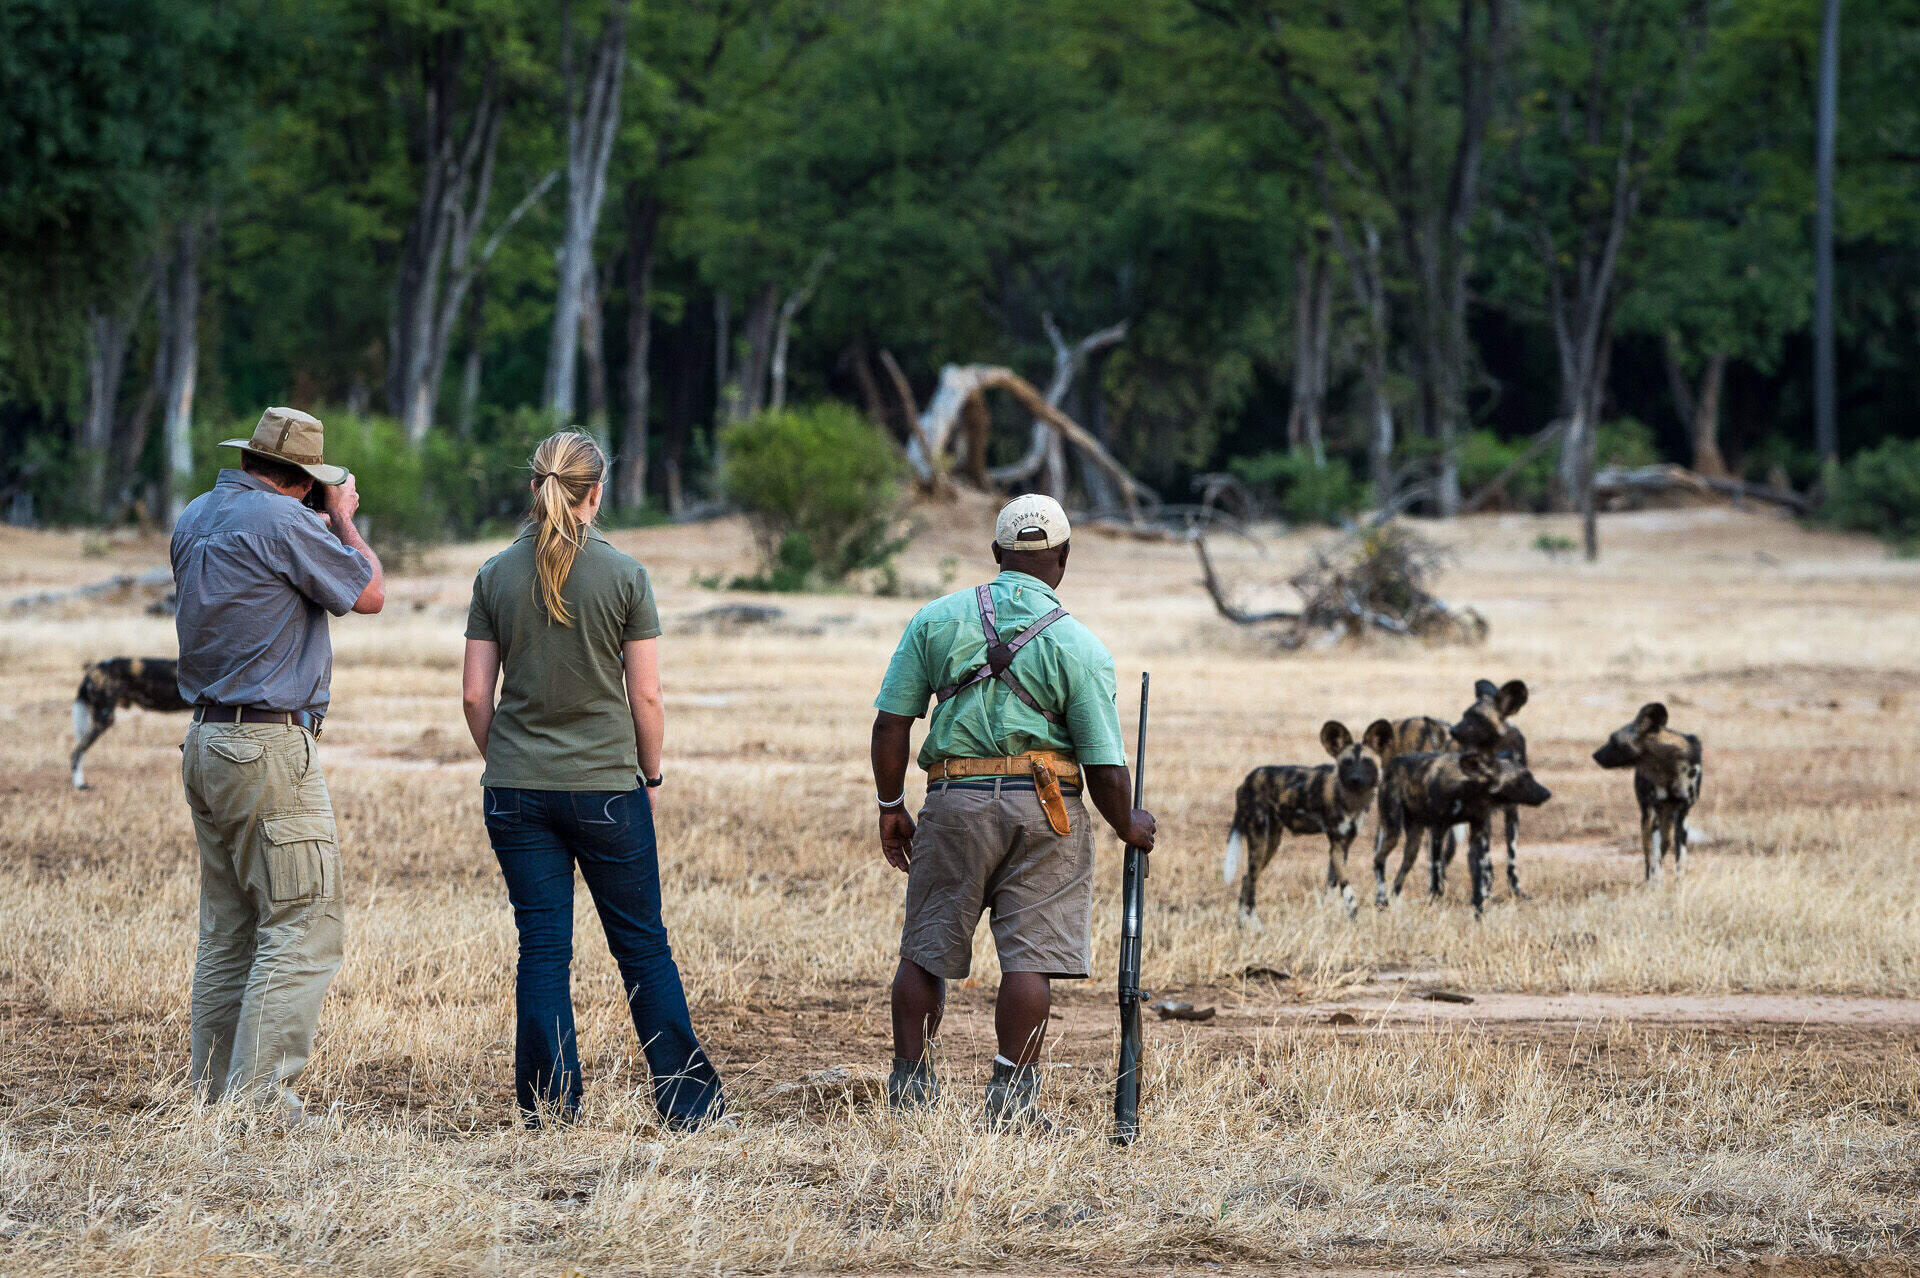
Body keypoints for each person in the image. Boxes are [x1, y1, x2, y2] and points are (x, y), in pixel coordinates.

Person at [461, 431, 725, 1130]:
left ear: (533, 489)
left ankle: (551, 1110)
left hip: (516, 790)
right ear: (596, 493)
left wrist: (510, 760)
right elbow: (647, 698)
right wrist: (653, 776)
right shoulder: (625, 576)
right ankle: (689, 1105)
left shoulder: (492, 575)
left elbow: (472, 698)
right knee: (641, 942)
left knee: (542, 947)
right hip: (608, 788)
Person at [870, 493, 1156, 1130]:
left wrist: (891, 804)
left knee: (925, 948)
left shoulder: (937, 620)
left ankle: (909, 1084)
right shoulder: (1081, 646)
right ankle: (1011, 1095)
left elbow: (891, 723)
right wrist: (1127, 823)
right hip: (1047, 811)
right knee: (1029, 959)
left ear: (997, 554)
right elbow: (1107, 767)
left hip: (954, 802)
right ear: (1063, 559)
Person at [171, 406, 385, 1126]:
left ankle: (214, 1094)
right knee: (302, 919)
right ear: (301, 480)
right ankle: (260, 1101)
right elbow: (368, 593)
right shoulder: (287, 522)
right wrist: (346, 519)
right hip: (267, 747)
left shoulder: (198, 514)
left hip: (205, 741)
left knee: (230, 926)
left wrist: (312, 521)